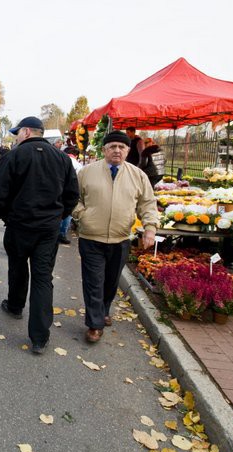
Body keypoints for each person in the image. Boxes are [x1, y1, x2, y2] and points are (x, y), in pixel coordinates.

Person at [0, 116, 79, 355]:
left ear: (27, 132)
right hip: (47, 229)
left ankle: (16, 305)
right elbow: (72, 194)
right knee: (42, 277)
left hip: (19, 225)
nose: (16, 137)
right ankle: (39, 337)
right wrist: (59, 216)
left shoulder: (13, 156)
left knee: (18, 268)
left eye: (17, 133)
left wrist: (7, 216)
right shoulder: (62, 158)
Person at [73, 131, 158, 343]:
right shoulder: (86, 172)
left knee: (111, 282)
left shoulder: (138, 175)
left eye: (121, 147)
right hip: (91, 237)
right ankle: (95, 324)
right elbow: (73, 198)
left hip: (120, 239)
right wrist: (82, 215)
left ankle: (103, 310)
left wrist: (150, 228)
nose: (117, 151)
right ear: (104, 150)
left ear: (128, 151)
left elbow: (147, 204)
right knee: (94, 281)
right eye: (112, 147)